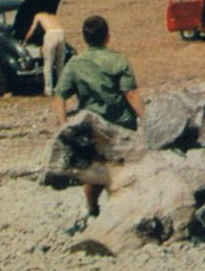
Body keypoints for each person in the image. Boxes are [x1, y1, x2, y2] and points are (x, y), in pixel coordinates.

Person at [53, 15, 145, 222]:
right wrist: (146, 119)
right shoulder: (118, 60)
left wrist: (64, 125)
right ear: (107, 36)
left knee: (95, 170)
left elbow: (59, 95)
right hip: (120, 125)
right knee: (124, 167)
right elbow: (130, 94)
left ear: (85, 38)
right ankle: (125, 211)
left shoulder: (75, 64)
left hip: (92, 128)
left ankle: (92, 209)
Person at [24, 10, 67, 97]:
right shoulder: (54, 16)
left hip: (51, 34)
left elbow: (32, 29)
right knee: (60, 64)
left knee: (48, 65)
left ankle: (48, 91)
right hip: (61, 33)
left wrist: (25, 41)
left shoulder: (38, 15)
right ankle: (61, 89)